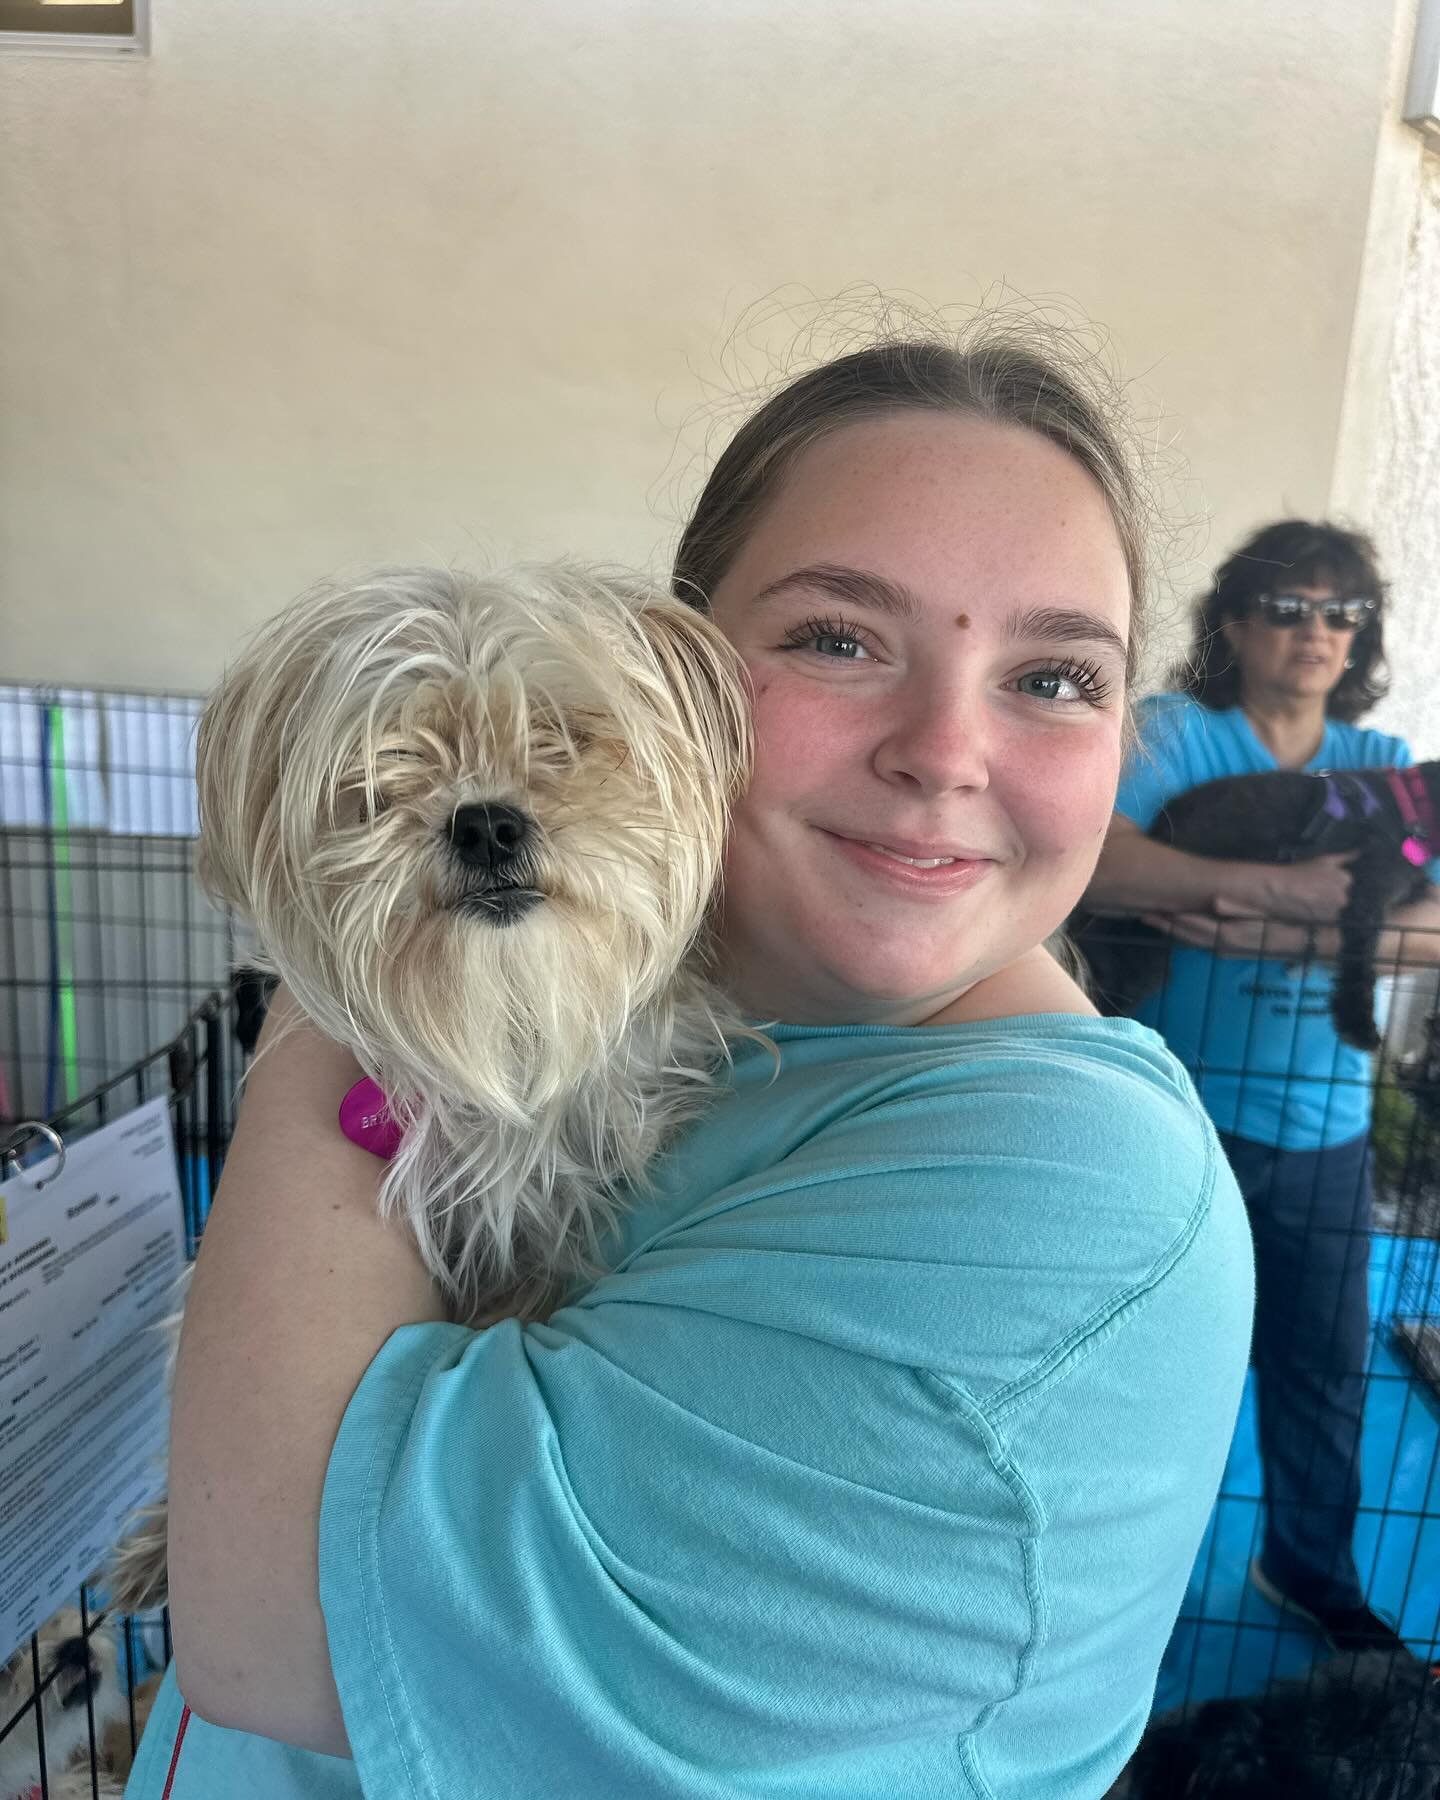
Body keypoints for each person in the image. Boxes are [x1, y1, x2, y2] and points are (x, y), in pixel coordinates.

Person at [124, 331, 1255, 1799]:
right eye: (839, 637)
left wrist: (356, 947)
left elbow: (277, 1626)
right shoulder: (672, 1018)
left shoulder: (1071, 1198)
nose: (943, 748)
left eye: (1053, 675)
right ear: (682, 674)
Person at [1084, 520, 1440, 1659]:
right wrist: (1287, 895)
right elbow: (1097, 853)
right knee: (1144, 1364)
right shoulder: (1182, 736)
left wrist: (1318, 928)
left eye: (1341, 614)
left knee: (1326, 1365)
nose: (1315, 634)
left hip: (1327, 1127)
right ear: (1234, 623)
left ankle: (1307, 1570)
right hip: (1177, 1114)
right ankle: (1106, 1597)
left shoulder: (1384, 765)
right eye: (1287, 609)